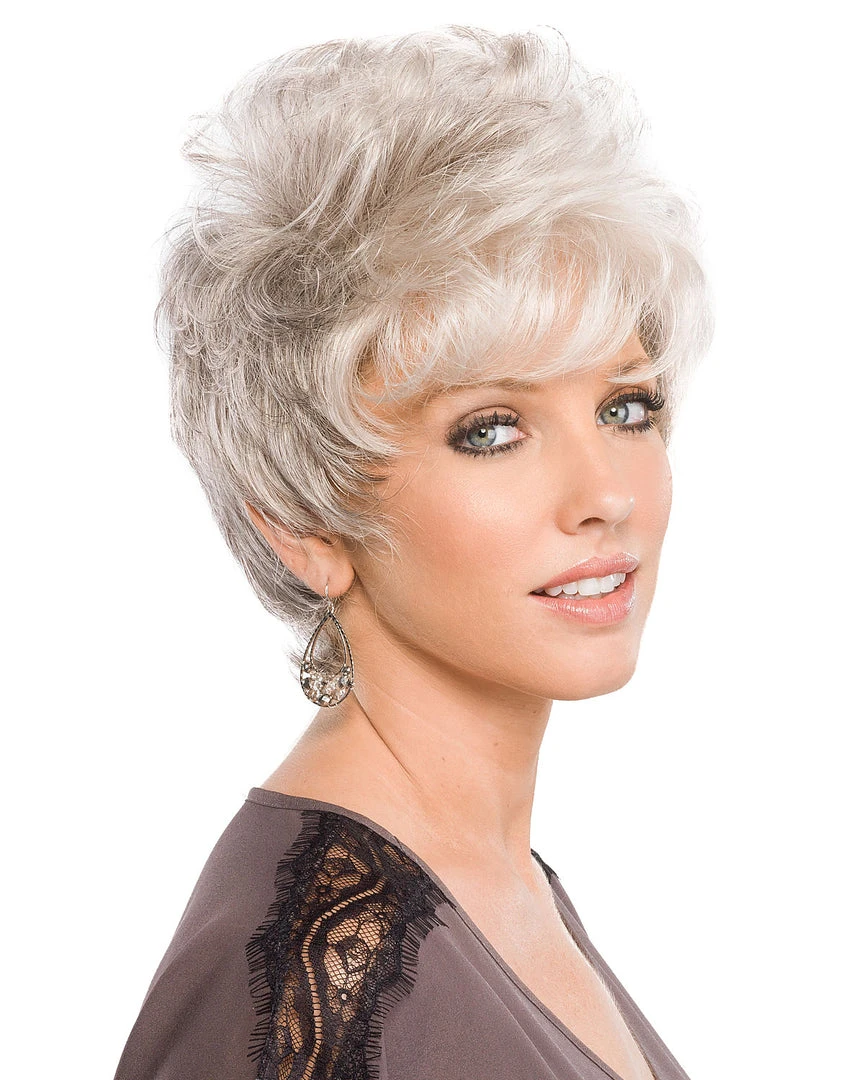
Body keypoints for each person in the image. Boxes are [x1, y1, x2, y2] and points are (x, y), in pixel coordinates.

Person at [113, 25, 713, 1080]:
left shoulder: (486, 882)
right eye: (492, 430)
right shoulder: (310, 985)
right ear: (303, 519)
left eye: (625, 406)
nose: (607, 496)